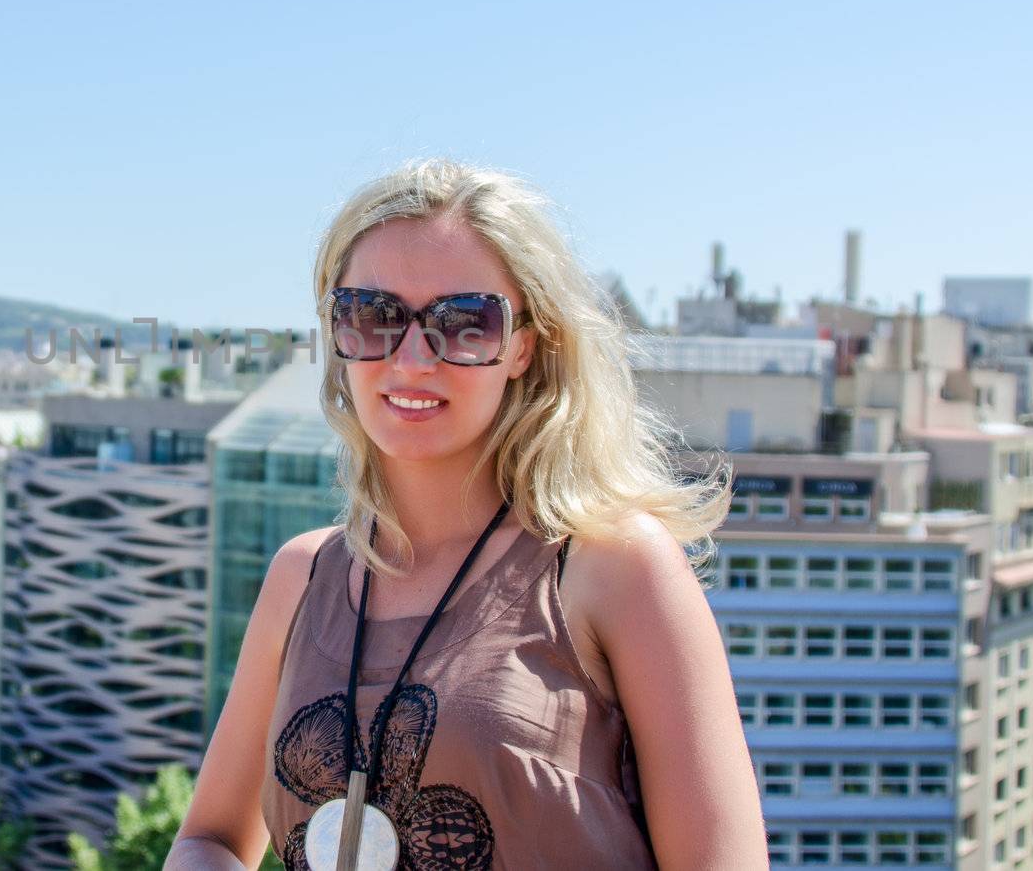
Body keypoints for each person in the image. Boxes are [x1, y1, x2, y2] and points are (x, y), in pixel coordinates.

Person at [164, 159, 767, 870]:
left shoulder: (614, 567)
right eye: (372, 313)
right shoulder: (303, 578)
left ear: (523, 347)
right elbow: (209, 841)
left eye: (463, 323)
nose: (413, 358)